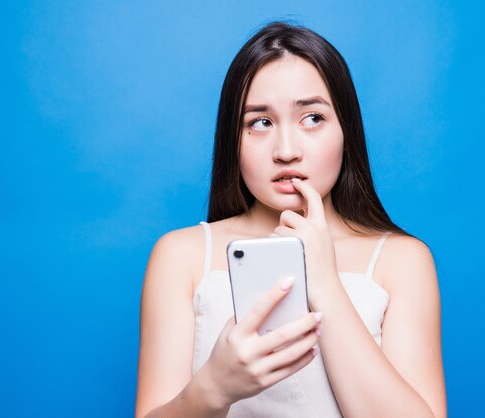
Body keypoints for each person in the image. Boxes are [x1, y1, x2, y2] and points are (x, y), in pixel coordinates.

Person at [135, 21, 446, 417]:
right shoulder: (181, 256)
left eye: (312, 118)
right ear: (234, 139)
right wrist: (214, 387)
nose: (286, 150)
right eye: (260, 122)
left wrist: (324, 280)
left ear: (346, 130)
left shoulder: (402, 260)